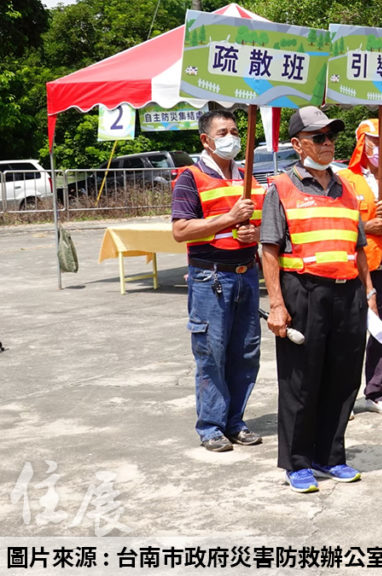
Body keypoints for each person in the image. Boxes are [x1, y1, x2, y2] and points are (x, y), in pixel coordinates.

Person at [261, 107, 376, 493]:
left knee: (343, 378)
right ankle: (297, 461)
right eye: (319, 137)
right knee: (300, 380)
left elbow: (359, 247)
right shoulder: (281, 187)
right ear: (297, 144)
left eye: (331, 137)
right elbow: (269, 251)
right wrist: (277, 304)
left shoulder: (347, 187)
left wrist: (369, 292)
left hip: (348, 294)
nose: (328, 144)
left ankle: (330, 456)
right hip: (303, 291)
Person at [171, 109, 263, 453]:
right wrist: (228, 219)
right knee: (211, 354)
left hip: (246, 273)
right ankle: (210, 425)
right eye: (223, 132)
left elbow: (257, 226)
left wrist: (251, 230)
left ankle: (235, 421)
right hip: (210, 277)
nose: (232, 137)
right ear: (206, 140)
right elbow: (181, 230)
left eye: (236, 130)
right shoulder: (190, 178)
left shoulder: (248, 177)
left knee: (246, 352)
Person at [338, 119, 382, 417]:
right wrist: (366, 226)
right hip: (356, 264)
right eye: (377, 142)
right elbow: (337, 224)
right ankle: (342, 395)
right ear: (361, 144)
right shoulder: (345, 181)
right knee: (349, 331)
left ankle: (378, 390)